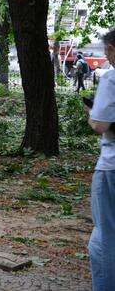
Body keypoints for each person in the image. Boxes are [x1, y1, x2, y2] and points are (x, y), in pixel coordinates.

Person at [86, 29, 115, 291]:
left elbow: (101, 124)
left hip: (112, 167)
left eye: (106, 50)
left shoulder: (112, 78)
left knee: (104, 239)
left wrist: (91, 115)